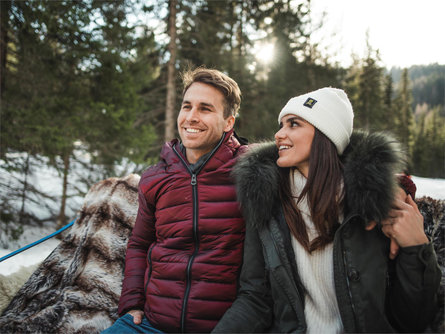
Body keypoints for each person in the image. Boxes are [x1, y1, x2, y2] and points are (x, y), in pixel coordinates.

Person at [212, 87, 441, 333]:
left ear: (325, 134)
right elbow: (255, 299)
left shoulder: (373, 206)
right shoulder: (266, 202)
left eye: (293, 124)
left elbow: (411, 318)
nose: (279, 134)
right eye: (281, 125)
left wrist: (416, 248)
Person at [102, 68, 247, 333]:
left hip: (220, 327)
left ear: (228, 122)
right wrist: (132, 302)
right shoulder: (156, 177)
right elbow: (139, 244)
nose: (191, 117)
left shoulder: (250, 174)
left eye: (205, 109)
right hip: (149, 324)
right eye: (187, 106)